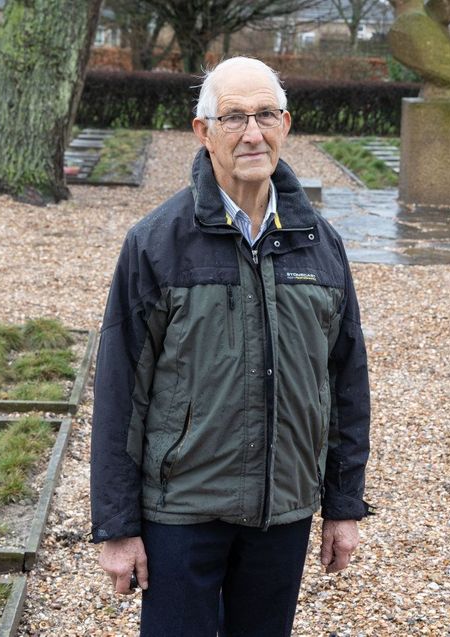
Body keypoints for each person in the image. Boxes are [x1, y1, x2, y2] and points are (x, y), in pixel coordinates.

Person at [90, 56, 372, 637]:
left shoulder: (320, 244)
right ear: (203, 132)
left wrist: (343, 505)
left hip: (283, 511)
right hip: (182, 513)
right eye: (234, 117)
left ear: (286, 124)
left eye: (265, 115)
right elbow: (121, 390)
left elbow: (345, 382)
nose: (252, 133)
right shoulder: (156, 243)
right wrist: (117, 526)